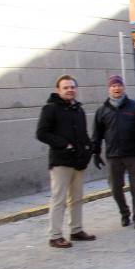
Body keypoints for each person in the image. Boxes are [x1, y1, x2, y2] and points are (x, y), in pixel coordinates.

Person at [36, 75, 96, 248]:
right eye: (66, 87)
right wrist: (64, 144)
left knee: (77, 198)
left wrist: (89, 149)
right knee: (59, 199)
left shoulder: (78, 109)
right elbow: (42, 133)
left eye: (72, 87)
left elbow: (83, 133)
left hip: (78, 161)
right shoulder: (50, 109)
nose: (70, 90)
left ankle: (76, 230)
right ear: (58, 90)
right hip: (61, 161)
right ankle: (55, 236)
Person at [92, 74, 135, 229]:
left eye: (119, 85)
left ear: (124, 87)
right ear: (109, 89)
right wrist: (95, 152)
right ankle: (124, 213)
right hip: (114, 156)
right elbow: (97, 134)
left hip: (134, 155)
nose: (116, 88)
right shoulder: (102, 111)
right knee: (115, 188)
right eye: (113, 86)